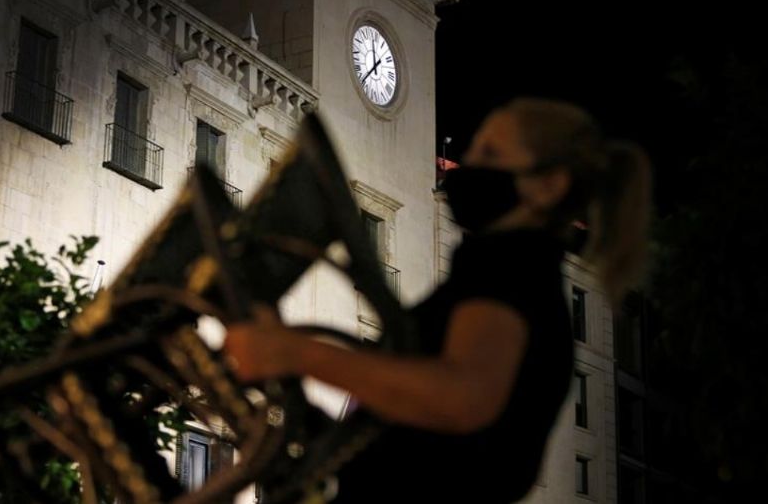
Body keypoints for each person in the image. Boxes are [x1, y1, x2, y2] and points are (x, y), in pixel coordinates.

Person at [223, 97, 652, 502]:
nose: (468, 167)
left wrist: (294, 352)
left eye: (489, 154)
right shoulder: (517, 273)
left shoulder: (508, 269)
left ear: (548, 185)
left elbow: (460, 396)